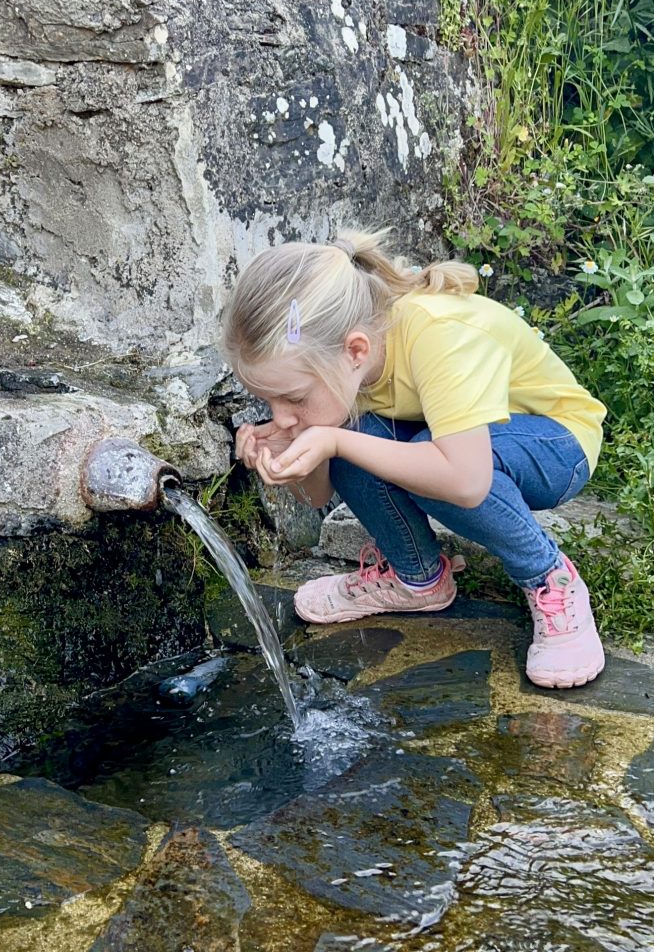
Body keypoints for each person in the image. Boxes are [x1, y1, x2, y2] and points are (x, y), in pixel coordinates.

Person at [221, 228, 607, 689]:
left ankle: (550, 578)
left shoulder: (438, 334)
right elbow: (320, 492)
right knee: (357, 434)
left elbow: (465, 481)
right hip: (471, 442)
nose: (281, 417)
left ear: (355, 351)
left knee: (429, 464)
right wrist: (288, 460)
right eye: (269, 402)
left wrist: (334, 440)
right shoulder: (338, 363)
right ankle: (419, 580)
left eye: (292, 399)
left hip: (557, 444)